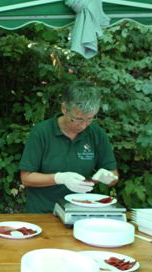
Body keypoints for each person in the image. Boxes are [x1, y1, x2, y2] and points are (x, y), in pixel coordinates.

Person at [19, 81, 119, 213]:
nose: (83, 125)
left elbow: (114, 175)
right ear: (64, 108)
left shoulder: (96, 134)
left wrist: (107, 177)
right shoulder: (42, 133)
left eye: (89, 119)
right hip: (43, 212)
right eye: (77, 119)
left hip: (81, 210)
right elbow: (26, 178)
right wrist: (59, 178)